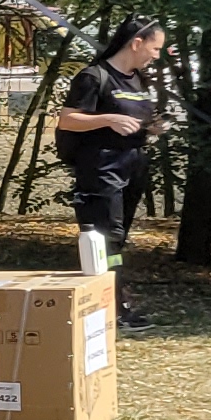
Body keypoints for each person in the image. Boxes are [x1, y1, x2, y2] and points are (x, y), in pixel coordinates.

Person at [55, 17, 167, 320]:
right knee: (105, 237)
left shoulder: (137, 78)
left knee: (117, 237)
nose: (157, 55)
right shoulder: (94, 76)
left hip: (132, 165)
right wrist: (108, 119)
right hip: (101, 168)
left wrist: (151, 127)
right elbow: (67, 120)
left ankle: (112, 301)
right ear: (136, 43)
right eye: (155, 48)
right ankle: (111, 306)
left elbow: (133, 117)